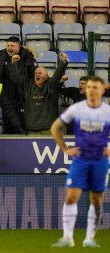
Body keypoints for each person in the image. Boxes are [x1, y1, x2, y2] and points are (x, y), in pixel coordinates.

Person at [50, 76, 110, 248]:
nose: (91, 90)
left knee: (97, 199)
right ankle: (67, 237)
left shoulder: (107, 111)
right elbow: (55, 128)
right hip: (81, 160)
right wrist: (65, 149)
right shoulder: (77, 109)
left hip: (100, 160)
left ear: (102, 90)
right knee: (71, 196)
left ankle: (89, 238)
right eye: (89, 87)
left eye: (95, 87)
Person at [9, 52, 68, 135]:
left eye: (40, 73)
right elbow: (16, 79)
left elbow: (56, 76)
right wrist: (13, 63)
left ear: (47, 76)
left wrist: (63, 62)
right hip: (30, 129)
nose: (37, 74)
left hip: (48, 129)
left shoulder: (51, 85)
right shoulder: (28, 85)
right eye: (36, 73)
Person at [0, 36, 37, 134]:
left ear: (19, 47)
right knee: (8, 128)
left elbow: (33, 78)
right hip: (7, 99)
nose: (9, 48)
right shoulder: (2, 57)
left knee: (21, 128)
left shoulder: (27, 58)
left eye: (12, 46)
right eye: (8, 45)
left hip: (22, 99)